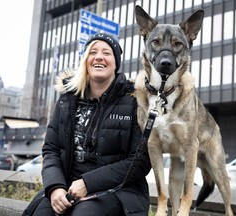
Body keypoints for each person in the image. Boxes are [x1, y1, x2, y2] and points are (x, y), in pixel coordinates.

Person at [31, 32, 151, 216]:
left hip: (115, 191)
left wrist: (88, 183)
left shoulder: (134, 100)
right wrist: (55, 187)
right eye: (93, 52)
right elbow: (51, 150)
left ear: (115, 63)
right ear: (86, 60)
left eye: (107, 53)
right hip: (67, 187)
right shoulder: (66, 100)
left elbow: (140, 161)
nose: (99, 57)